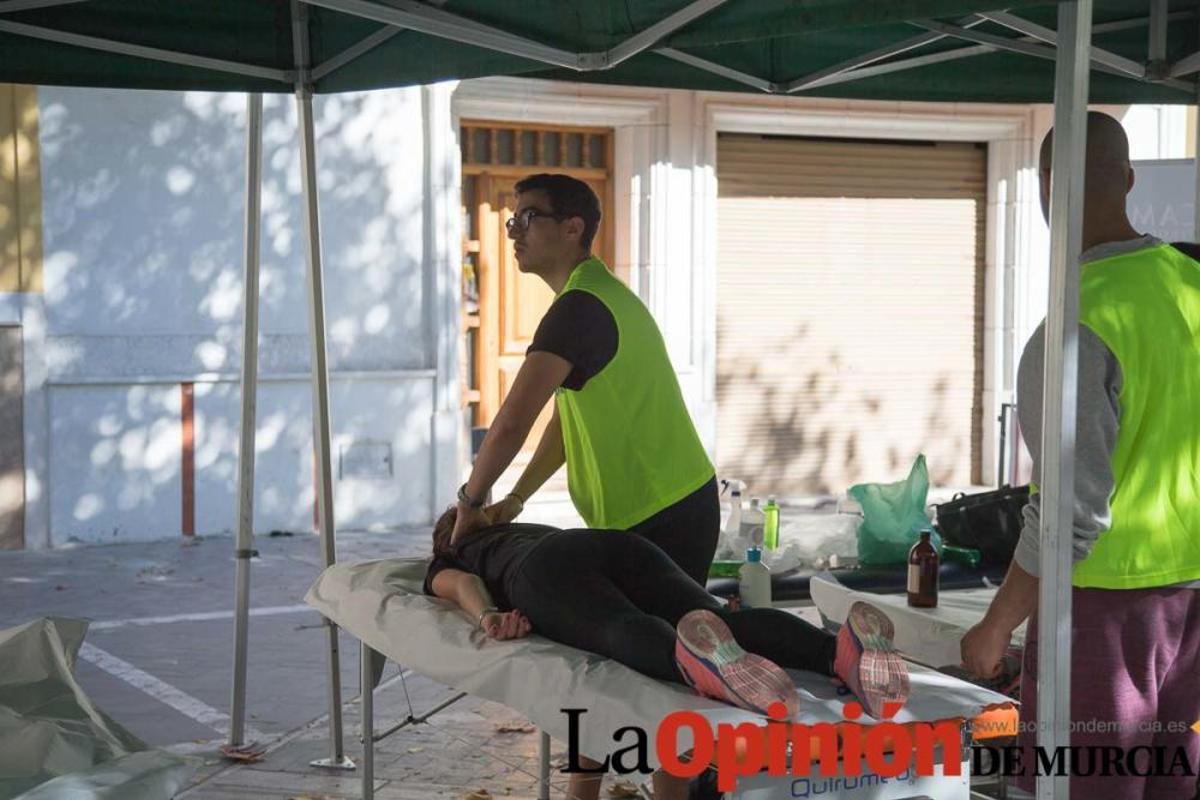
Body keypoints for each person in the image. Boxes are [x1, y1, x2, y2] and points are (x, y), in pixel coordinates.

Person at [960, 112, 1200, 799]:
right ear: (1129, 179)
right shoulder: (1191, 284)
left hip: (1105, 614)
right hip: (1190, 610)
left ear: (1046, 187)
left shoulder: (1073, 328)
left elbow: (1069, 512)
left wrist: (996, 626)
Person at [425, 508, 910, 800]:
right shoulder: (526, 528)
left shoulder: (453, 555)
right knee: (719, 619)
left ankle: (693, 663)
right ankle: (835, 652)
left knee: (619, 628)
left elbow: (462, 585)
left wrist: (488, 616)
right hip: (613, 544)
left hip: (543, 570)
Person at [452, 174, 719, 585]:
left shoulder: (580, 308)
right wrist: (516, 499)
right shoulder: (591, 294)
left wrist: (469, 503)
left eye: (528, 218)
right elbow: (565, 426)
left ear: (572, 228)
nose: (514, 233)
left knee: (668, 627)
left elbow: (511, 423)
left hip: (664, 511)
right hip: (667, 506)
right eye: (513, 221)